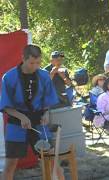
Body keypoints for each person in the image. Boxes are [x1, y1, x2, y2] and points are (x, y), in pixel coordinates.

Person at [0, 45, 64, 180]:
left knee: (51, 160)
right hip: (16, 121)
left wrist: (46, 113)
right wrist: (21, 116)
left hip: (39, 120)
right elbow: (6, 106)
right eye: (31, 63)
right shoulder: (9, 77)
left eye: (38, 62)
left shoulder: (44, 76)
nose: (35, 66)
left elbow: (48, 102)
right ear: (23, 58)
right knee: (11, 164)